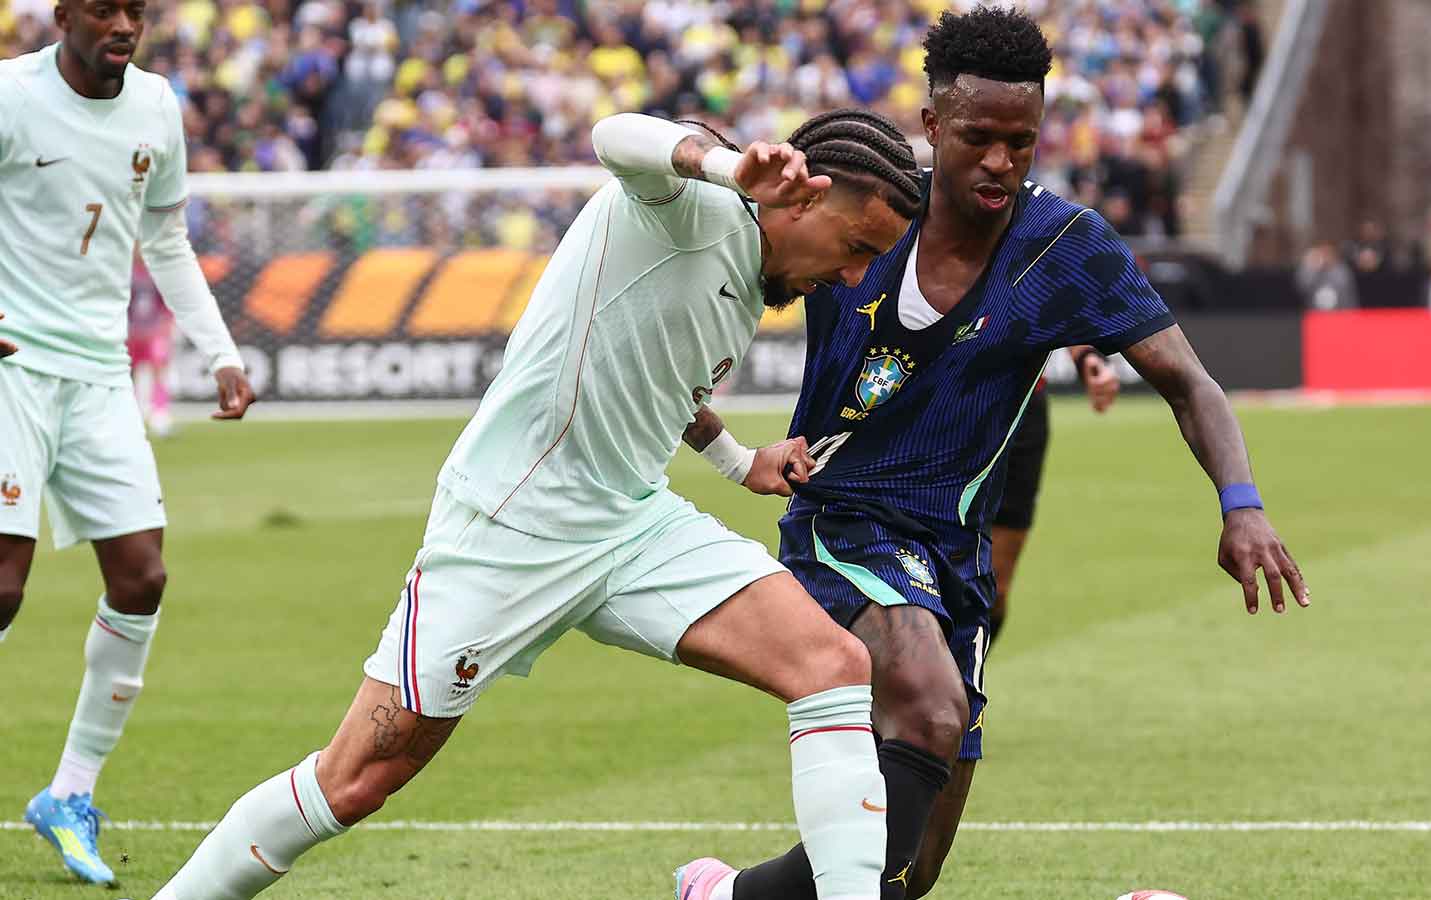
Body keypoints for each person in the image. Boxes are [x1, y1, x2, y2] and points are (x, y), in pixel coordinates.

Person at [151, 108, 926, 900]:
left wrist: (737, 462)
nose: (857, 275)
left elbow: (671, 387)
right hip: (509, 526)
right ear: (798, 201)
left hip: (630, 526)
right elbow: (615, 134)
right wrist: (728, 168)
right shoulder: (692, 207)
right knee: (352, 782)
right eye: (857, 247)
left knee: (833, 665)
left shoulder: (749, 282)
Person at [678, 9, 1309, 900]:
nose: (1002, 163)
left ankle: (726, 895)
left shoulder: (1067, 247)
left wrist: (1240, 502)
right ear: (934, 125)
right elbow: (676, 342)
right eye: (979, 138)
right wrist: (733, 455)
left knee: (912, 873)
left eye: (1023, 141)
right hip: (841, 526)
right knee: (930, 710)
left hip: (954, 559)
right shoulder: (860, 216)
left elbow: (1190, 383)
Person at [1, 0, 257, 885]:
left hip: (101, 376)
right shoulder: (10, 97)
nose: (124, 24)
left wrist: (219, 353)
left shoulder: (156, 106)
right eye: (104, 9)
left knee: (142, 576)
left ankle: (69, 794)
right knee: (2, 585)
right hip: (10, 369)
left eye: (135, 11)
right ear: (63, 16)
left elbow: (166, 236)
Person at [987, 348, 1120, 645]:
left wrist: (1087, 355)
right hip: (944, 400)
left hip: (1023, 408)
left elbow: (1058, 301)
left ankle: (963, 684)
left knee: (994, 586)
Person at [127, 255, 177, 436]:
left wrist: (165, 327)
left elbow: (166, 305)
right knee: (126, 373)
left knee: (159, 369)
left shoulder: (157, 274)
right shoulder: (125, 272)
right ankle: (129, 414)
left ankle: (160, 413)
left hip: (153, 332)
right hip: (129, 333)